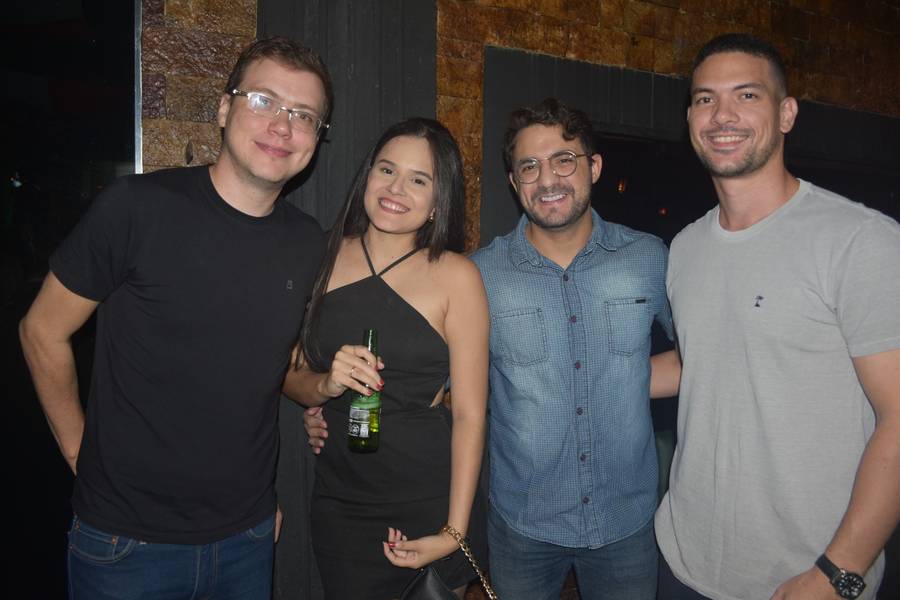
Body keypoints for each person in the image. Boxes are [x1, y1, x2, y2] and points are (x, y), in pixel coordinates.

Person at [306, 98, 674, 599]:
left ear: (595, 166)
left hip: (625, 519)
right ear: (513, 180)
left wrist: (624, 379)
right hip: (521, 522)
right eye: (529, 166)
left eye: (563, 159)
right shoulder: (483, 274)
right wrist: (322, 397)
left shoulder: (649, 258)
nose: (548, 179)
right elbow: (437, 386)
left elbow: (700, 356)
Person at [18, 37, 332, 599]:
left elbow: (276, 364)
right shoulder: (136, 208)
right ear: (223, 108)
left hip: (248, 537)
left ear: (316, 138)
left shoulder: (309, 244)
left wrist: (317, 392)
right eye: (263, 100)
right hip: (126, 544)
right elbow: (42, 330)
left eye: (302, 115)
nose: (282, 127)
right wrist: (77, 452)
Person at [654, 33, 900, 600]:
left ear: (786, 113)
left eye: (746, 96)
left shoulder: (859, 241)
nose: (722, 115)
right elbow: (702, 361)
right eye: (704, 98)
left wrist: (839, 571)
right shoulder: (687, 248)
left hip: (807, 575)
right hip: (683, 562)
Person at [282, 118, 489, 600]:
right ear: (366, 176)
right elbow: (289, 373)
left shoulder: (458, 277)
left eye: (420, 179)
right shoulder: (321, 255)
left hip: (429, 499)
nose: (397, 188)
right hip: (341, 502)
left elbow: (470, 413)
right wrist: (325, 388)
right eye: (387, 170)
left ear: (441, 200)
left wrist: (454, 531)